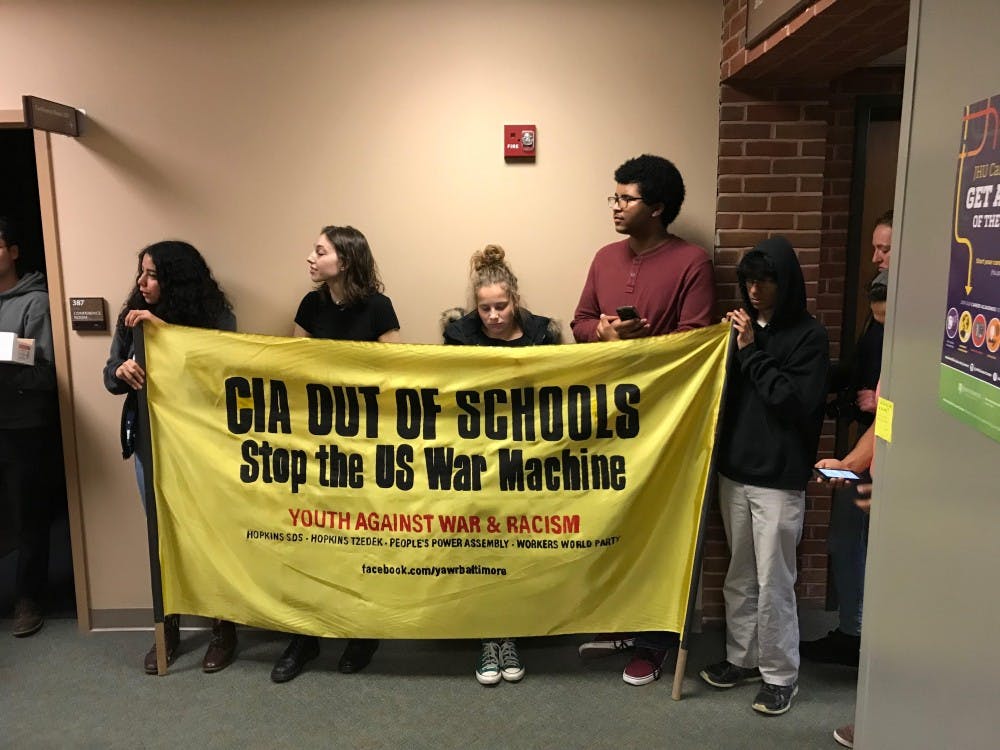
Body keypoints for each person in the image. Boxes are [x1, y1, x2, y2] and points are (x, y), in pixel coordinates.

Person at [571, 154, 715, 686]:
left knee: (660, 526)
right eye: (614, 196)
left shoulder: (692, 261)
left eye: (625, 198)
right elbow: (580, 320)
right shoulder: (605, 257)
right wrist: (604, 335)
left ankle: (657, 642)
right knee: (614, 518)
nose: (615, 206)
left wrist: (648, 341)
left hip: (664, 421)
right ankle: (620, 623)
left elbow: (699, 340)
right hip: (608, 414)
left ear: (656, 208)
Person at [699, 236, 829, 716]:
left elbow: (793, 402)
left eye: (765, 280)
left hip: (778, 479)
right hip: (735, 472)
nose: (754, 290)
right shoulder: (739, 329)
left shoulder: (809, 337)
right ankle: (743, 657)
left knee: (775, 579)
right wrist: (724, 348)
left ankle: (780, 675)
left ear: (786, 282)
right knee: (740, 575)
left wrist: (751, 351)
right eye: (748, 280)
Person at [270, 225, 400, 684]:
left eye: (319, 251)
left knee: (361, 536)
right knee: (310, 537)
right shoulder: (311, 304)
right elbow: (295, 365)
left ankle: (362, 632)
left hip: (364, 442)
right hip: (315, 438)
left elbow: (396, 371)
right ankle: (305, 636)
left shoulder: (378, 307)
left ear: (343, 260)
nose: (310, 257)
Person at [103, 240, 238, 674]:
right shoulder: (131, 316)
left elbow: (223, 367)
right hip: (150, 440)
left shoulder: (215, 315)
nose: (142, 283)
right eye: (140, 273)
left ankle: (224, 628)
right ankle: (168, 627)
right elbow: (109, 376)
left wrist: (162, 331)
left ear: (177, 279)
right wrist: (121, 371)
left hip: (203, 443)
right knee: (161, 535)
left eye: (153, 275)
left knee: (212, 533)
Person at [442, 243, 559, 684]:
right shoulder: (458, 335)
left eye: (501, 306)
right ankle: (488, 637)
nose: (493, 315)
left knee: (520, 547)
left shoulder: (545, 333)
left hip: (529, 457)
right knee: (481, 550)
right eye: (485, 308)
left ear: (516, 299)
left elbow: (561, 390)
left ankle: (510, 634)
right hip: (477, 457)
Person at [803, 210, 892, 668]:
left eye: (887, 248)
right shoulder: (879, 309)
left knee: (884, 550)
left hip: (892, 456)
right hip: (871, 446)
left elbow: (894, 404)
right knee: (846, 539)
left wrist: (852, 461)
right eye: (875, 248)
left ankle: (872, 643)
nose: (877, 257)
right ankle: (854, 633)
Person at [0, 217, 58, 638]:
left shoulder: (34, 302)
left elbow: (45, 370)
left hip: (22, 424)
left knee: (28, 513)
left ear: (13, 251)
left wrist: (3, 354)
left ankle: (29, 598)